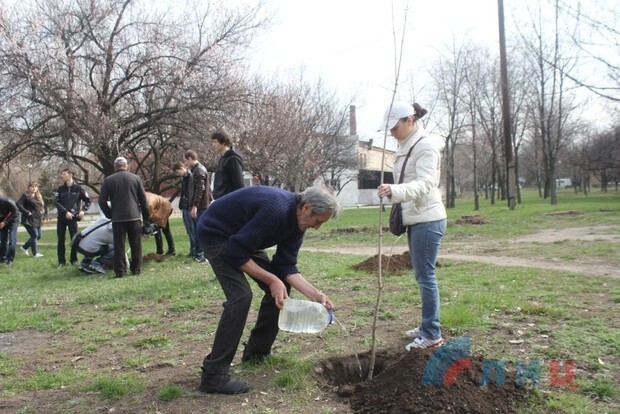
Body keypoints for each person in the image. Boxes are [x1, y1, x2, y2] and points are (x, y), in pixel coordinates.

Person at [195, 186, 341, 394]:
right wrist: (271, 279)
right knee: (241, 297)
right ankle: (213, 375)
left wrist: (315, 294)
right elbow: (234, 252)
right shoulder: (277, 210)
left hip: (242, 239)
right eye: (318, 221)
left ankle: (256, 353)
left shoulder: (298, 224)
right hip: (217, 234)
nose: (316, 227)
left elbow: (286, 265)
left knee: (282, 286)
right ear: (306, 208)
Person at [377, 101, 447, 350]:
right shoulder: (408, 144)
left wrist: (395, 191)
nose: (391, 133)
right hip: (417, 219)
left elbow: (427, 182)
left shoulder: (425, 145)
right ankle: (427, 325)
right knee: (421, 275)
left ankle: (431, 334)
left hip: (427, 220)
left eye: (394, 127)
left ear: (409, 120)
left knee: (425, 276)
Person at [98, 157, 151, 278]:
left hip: (117, 217)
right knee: (136, 244)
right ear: (126, 166)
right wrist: (146, 217)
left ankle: (120, 271)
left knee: (119, 245)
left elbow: (102, 201)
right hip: (134, 216)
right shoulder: (136, 178)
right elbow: (143, 199)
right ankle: (136, 269)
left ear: (115, 167)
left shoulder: (108, 180)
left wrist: (109, 214)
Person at [55, 168, 91, 268]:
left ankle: (74, 260)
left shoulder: (79, 188)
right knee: (60, 240)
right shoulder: (60, 189)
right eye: (61, 174)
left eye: (64, 174)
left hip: (73, 218)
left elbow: (88, 200)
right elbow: (57, 202)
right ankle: (61, 262)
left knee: (74, 239)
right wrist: (65, 212)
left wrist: (83, 210)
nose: (62, 176)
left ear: (71, 175)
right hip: (62, 218)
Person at [183, 150, 210, 263]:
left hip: (200, 207)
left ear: (190, 158)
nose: (185, 164)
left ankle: (202, 255)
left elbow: (200, 190)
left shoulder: (199, 170)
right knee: (196, 231)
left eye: (185, 161)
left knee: (200, 231)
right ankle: (199, 254)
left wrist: (194, 206)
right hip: (197, 207)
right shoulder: (194, 170)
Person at [210, 129, 245, 199]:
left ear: (223, 142)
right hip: (221, 200)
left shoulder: (233, 159)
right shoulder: (222, 159)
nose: (213, 145)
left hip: (229, 201)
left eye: (215, 142)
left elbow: (239, 185)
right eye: (212, 142)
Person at [16, 182, 45, 258]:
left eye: (35, 186)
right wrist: (26, 211)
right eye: (32, 187)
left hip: (37, 219)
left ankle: (24, 247)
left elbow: (40, 206)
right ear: (29, 188)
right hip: (28, 219)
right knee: (34, 235)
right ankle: (35, 253)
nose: (34, 188)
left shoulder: (38, 196)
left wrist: (42, 210)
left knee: (39, 236)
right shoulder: (25, 196)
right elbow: (18, 204)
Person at [145, 192, 176, 256]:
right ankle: (170, 249)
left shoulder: (148, 201)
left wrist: (147, 224)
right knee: (164, 230)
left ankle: (161, 251)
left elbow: (148, 212)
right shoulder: (143, 195)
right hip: (159, 208)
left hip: (164, 207)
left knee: (157, 229)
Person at [0, 196, 20, 266]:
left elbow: (16, 212)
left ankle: (10, 259)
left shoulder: (7, 201)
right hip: (2, 221)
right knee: (3, 240)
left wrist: (5, 223)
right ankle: (3, 257)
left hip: (13, 219)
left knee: (12, 239)